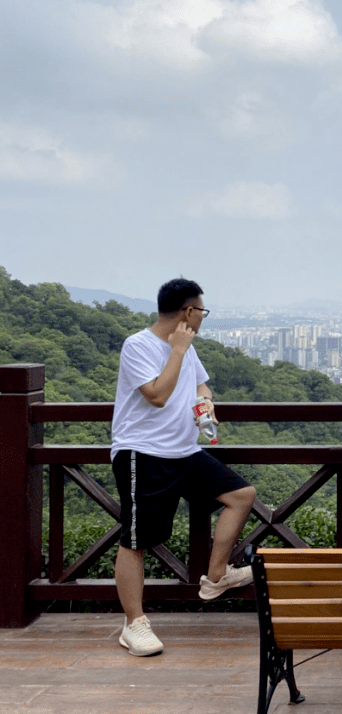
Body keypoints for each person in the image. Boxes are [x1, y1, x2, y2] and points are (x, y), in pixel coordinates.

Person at [110, 278, 256, 657]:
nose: (203, 317)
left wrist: (205, 403)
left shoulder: (187, 350)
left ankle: (217, 574)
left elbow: (201, 385)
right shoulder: (138, 345)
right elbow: (156, 395)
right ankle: (133, 624)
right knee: (136, 540)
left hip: (184, 452)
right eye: (202, 311)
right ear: (189, 312)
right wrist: (176, 349)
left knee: (241, 495)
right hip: (143, 454)